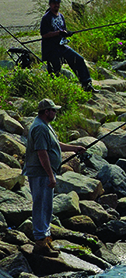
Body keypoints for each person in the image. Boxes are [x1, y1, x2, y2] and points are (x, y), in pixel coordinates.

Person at [23, 98, 85, 257]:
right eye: (53, 110)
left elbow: (55, 144)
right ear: (46, 111)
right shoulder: (40, 128)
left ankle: (45, 236)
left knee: (46, 206)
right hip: (41, 173)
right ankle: (40, 242)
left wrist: (74, 148)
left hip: (44, 173)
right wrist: (51, 175)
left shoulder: (45, 126)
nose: (55, 112)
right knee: (41, 205)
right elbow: (42, 153)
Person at [40, 0, 94, 91]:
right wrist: (58, 33)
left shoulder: (61, 16)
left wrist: (67, 34)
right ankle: (52, 91)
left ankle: (86, 84)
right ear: (50, 4)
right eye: (54, 3)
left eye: (58, 3)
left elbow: (63, 31)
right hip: (52, 49)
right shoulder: (46, 17)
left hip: (62, 46)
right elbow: (44, 34)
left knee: (79, 60)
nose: (56, 5)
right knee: (54, 71)